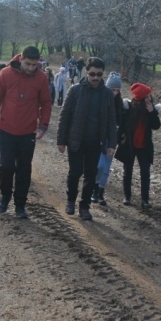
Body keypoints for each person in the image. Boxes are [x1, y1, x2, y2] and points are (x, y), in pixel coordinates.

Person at [0, 46, 52, 218]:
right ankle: (5, 196)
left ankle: (20, 204)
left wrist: (43, 126)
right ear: (21, 59)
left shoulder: (41, 78)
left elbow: (46, 103)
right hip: (7, 129)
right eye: (28, 64)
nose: (31, 68)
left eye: (34, 65)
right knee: (6, 166)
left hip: (28, 132)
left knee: (24, 169)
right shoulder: (6, 74)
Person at [56, 58, 118, 220]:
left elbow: (112, 120)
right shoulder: (75, 90)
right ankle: (70, 201)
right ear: (86, 72)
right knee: (75, 172)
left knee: (91, 175)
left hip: (96, 142)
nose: (95, 78)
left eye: (98, 74)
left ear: (102, 74)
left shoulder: (106, 94)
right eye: (92, 74)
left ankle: (84, 206)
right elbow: (64, 116)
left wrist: (112, 143)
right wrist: (61, 140)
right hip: (76, 140)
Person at [115, 82, 161, 209]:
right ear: (140, 98)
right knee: (127, 172)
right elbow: (122, 126)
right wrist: (120, 139)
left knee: (145, 173)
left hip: (144, 147)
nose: (149, 99)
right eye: (147, 97)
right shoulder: (129, 109)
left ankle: (145, 200)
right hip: (129, 146)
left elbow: (156, 126)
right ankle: (127, 197)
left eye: (149, 97)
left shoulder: (150, 110)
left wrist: (152, 112)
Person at [92, 72, 124, 205]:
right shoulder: (101, 99)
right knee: (99, 165)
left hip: (112, 139)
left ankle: (100, 192)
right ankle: (94, 189)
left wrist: (121, 135)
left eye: (117, 90)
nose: (115, 92)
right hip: (99, 137)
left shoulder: (120, 103)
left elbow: (121, 121)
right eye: (113, 89)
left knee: (106, 167)